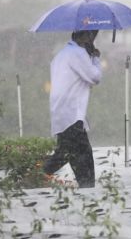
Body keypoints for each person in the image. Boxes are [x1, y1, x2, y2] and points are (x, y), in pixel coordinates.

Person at [43, 30, 102, 188]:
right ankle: (33, 176)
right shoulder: (77, 53)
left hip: (62, 111)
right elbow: (95, 77)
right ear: (86, 37)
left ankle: (86, 185)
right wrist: (95, 58)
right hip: (71, 111)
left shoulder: (62, 54)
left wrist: (89, 56)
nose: (93, 39)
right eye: (92, 35)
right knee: (77, 153)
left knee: (70, 152)